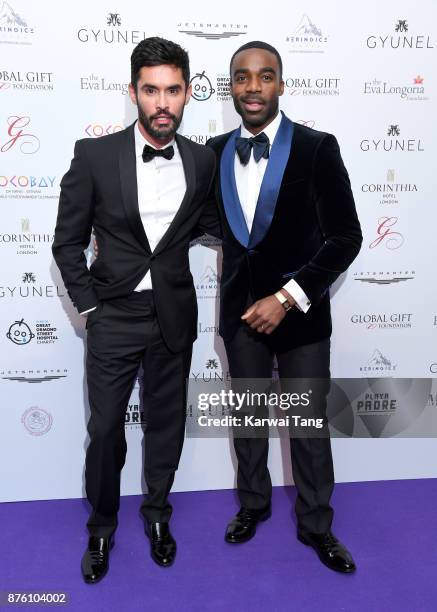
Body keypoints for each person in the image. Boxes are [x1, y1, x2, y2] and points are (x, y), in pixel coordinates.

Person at [52, 37, 216, 584]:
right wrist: (90, 309)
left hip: (174, 315)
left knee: (166, 426)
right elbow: (66, 244)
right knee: (105, 432)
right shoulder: (94, 155)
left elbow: (219, 227)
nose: (162, 102)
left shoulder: (203, 159)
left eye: (173, 90)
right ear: (133, 93)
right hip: (113, 316)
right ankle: (102, 526)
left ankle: (158, 515)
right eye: (151, 90)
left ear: (188, 93)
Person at [206, 41, 362, 573]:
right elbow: (205, 224)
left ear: (281, 83)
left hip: (300, 317)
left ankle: (317, 525)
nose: (253, 87)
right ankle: (253, 505)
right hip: (239, 317)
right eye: (243, 77)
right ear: (231, 87)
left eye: (265, 76)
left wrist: (287, 296)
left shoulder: (318, 148)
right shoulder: (215, 148)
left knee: (310, 427)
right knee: (247, 419)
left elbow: (345, 237)